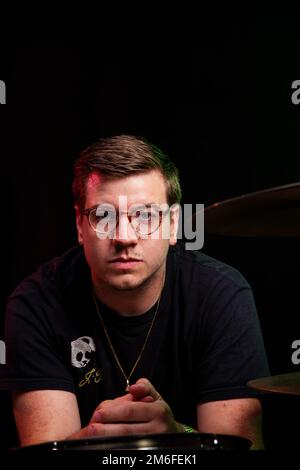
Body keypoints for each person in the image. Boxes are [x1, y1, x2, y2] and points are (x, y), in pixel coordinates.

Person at [0, 135, 269, 449]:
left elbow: (243, 449)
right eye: (103, 216)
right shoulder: (36, 304)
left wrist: (174, 435)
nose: (124, 236)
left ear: (173, 224)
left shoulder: (221, 295)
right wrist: (93, 441)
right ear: (79, 224)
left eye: (144, 216)